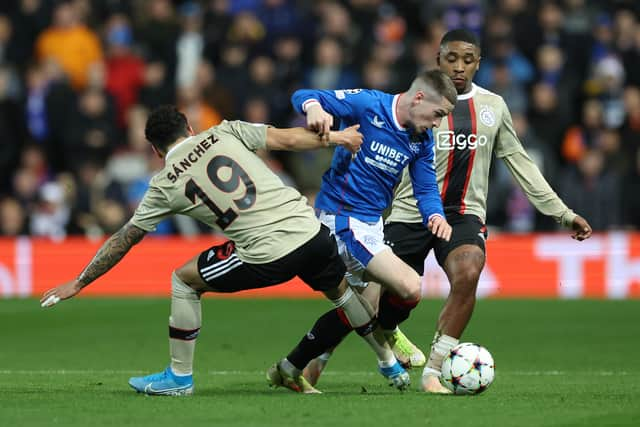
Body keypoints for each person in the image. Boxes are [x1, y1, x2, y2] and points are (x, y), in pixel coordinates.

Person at [298, 29, 593, 393]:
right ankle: (315, 363)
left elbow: (520, 162)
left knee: (468, 272)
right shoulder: (416, 101)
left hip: (463, 214)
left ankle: (434, 372)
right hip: (408, 212)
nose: (459, 66)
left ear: (478, 63)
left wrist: (562, 212)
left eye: (467, 60)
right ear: (438, 60)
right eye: (451, 58)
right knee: (368, 297)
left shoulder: (493, 107)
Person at [40, 105, 401, 396]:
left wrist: (80, 281)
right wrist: (337, 137)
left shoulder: (164, 183)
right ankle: (389, 363)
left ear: (155, 150)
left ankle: (179, 378)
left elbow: (125, 238)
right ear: (190, 128)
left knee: (183, 280)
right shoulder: (224, 131)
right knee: (340, 292)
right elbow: (285, 140)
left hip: (268, 254)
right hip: (311, 231)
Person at [267, 69, 457, 391]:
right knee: (409, 287)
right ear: (420, 98)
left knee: (358, 308)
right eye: (438, 114)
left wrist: (435, 216)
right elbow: (304, 95)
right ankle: (386, 332)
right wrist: (314, 108)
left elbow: (425, 188)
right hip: (341, 218)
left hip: (372, 223)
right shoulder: (369, 104)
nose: (437, 123)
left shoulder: (421, 140)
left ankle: (289, 367)